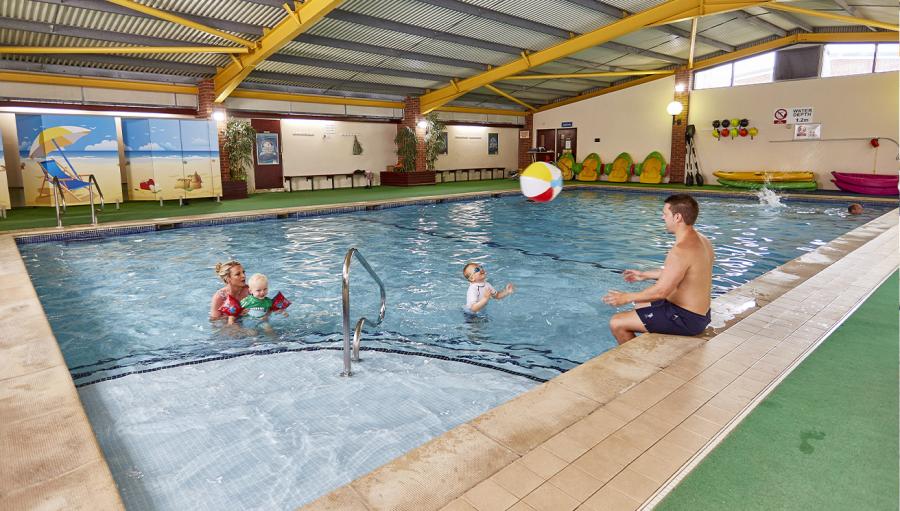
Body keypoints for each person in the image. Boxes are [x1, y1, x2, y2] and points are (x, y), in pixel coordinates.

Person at [602, 194, 714, 344]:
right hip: (700, 314)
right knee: (641, 304)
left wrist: (625, 297)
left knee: (617, 322)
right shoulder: (702, 240)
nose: (663, 218)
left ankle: (637, 363)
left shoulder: (681, 250)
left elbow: (661, 292)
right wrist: (644, 275)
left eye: (665, 214)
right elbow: (683, 273)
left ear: (677, 217)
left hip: (687, 319)